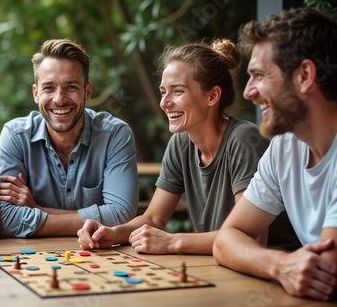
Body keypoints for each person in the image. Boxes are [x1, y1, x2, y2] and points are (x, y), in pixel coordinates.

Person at [77, 38, 300, 255]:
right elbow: (155, 218)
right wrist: (114, 233)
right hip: (219, 264)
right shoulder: (181, 142)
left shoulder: (244, 140)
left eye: (178, 91)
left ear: (212, 96)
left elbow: (249, 239)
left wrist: (173, 242)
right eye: (163, 91)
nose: (164, 103)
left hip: (270, 270)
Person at [213, 7, 337, 301]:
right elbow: (225, 240)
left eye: (259, 75)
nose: (247, 92)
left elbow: (325, 271)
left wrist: (282, 265)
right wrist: (280, 264)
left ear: (305, 75)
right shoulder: (285, 146)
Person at [0, 39, 139, 238]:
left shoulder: (114, 135)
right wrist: (95, 217)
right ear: (36, 93)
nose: (59, 99)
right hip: (34, 260)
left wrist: (37, 210)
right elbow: (5, 219)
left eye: (70, 87)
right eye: (49, 88)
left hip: (101, 255)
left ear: (87, 90)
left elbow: (121, 215)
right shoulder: (15, 136)